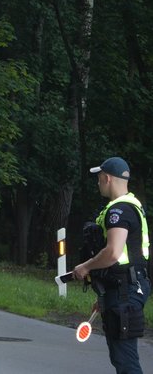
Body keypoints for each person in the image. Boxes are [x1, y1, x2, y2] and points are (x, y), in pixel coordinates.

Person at [73, 157, 150, 374]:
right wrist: (104, 297)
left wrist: (86, 266)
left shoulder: (119, 211)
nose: (98, 183)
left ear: (107, 178)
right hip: (124, 289)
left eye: (99, 179)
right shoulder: (132, 205)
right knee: (121, 358)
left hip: (125, 292)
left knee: (125, 361)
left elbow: (113, 252)